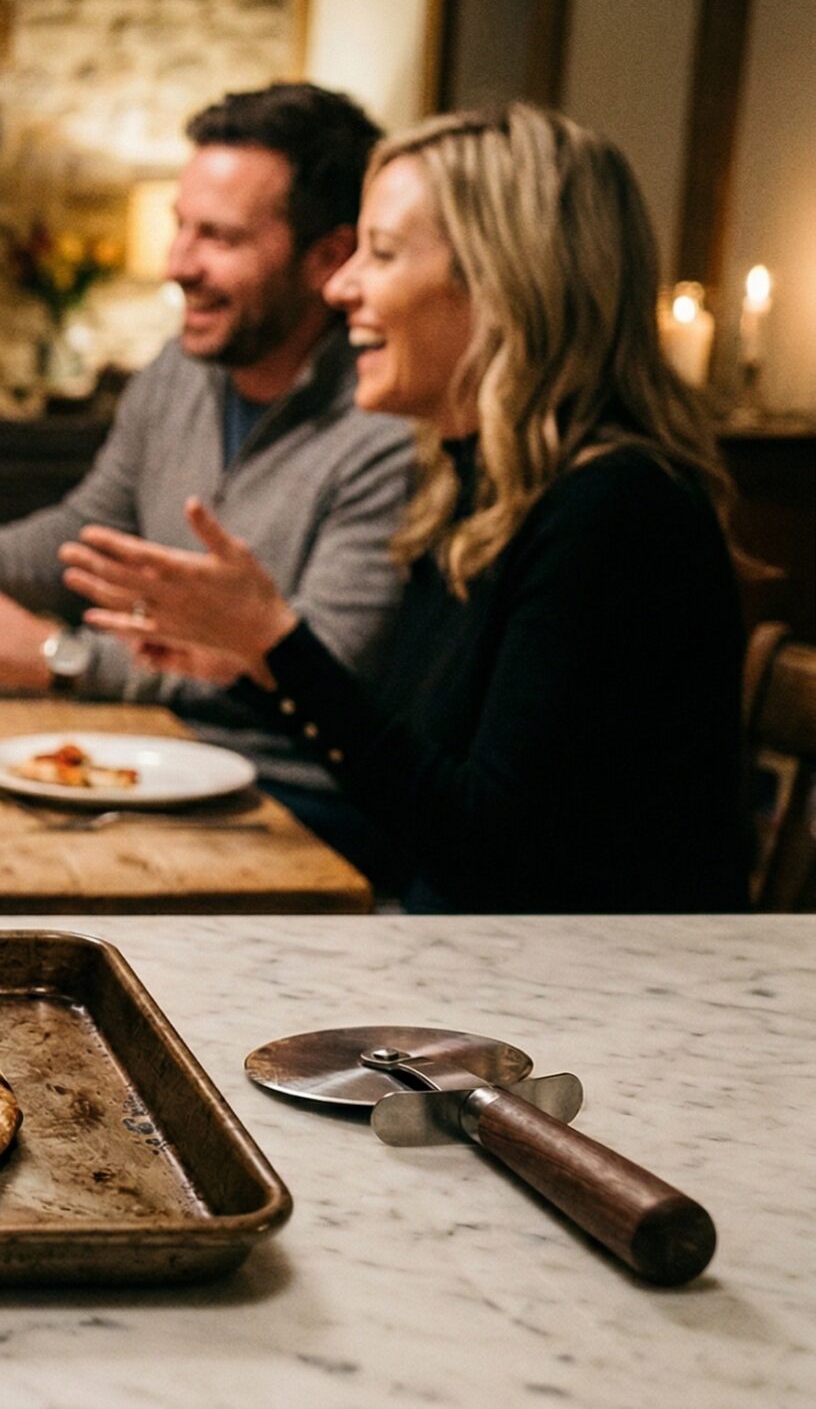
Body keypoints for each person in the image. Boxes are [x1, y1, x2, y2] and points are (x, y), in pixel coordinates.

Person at [60, 104, 750, 913]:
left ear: (501, 286)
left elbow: (487, 852)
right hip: (472, 952)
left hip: (594, 996)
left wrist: (277, 646)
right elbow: (416, 780)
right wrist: (252, 666)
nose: (340, 284)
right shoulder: (477, 481)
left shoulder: (615, 511)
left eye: (380, 254)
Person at [0, 84, 412, 857]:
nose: (176, 264)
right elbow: (87, 535)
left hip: (290, 812)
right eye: (180, 226)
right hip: (139, 759)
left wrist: (63, 658)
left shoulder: (385, 422)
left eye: (218, 237)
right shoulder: (180, 372)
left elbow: (321, 677)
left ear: (329, 258)